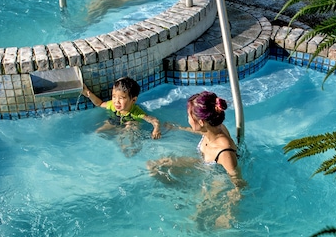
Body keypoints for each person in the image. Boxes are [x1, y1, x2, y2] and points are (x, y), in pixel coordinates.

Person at [148, 91, 244, 228]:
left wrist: (228, 214)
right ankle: (181, 190)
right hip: (203, 164)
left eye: (189, 116)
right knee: (156, 166)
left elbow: (239, 185)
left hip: (218, 180)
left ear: (201, 121)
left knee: (196, 221)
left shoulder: (224, 152)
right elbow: (201, 131)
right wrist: (179, 128)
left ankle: (183, 192)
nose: (187, 118)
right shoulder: (212, 128)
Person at [81, 77, 162, 150]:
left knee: (129, 129)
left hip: (131, 122)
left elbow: (154, 120)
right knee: (98, 132)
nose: (116, 101)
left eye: (121, 98)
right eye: (114, 97)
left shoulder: (136, 112)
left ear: (133, 100)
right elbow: (100, 104)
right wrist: (88, 94)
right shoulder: (112, 105)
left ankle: (128, 148)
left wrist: (156, 129)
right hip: (115, 120)